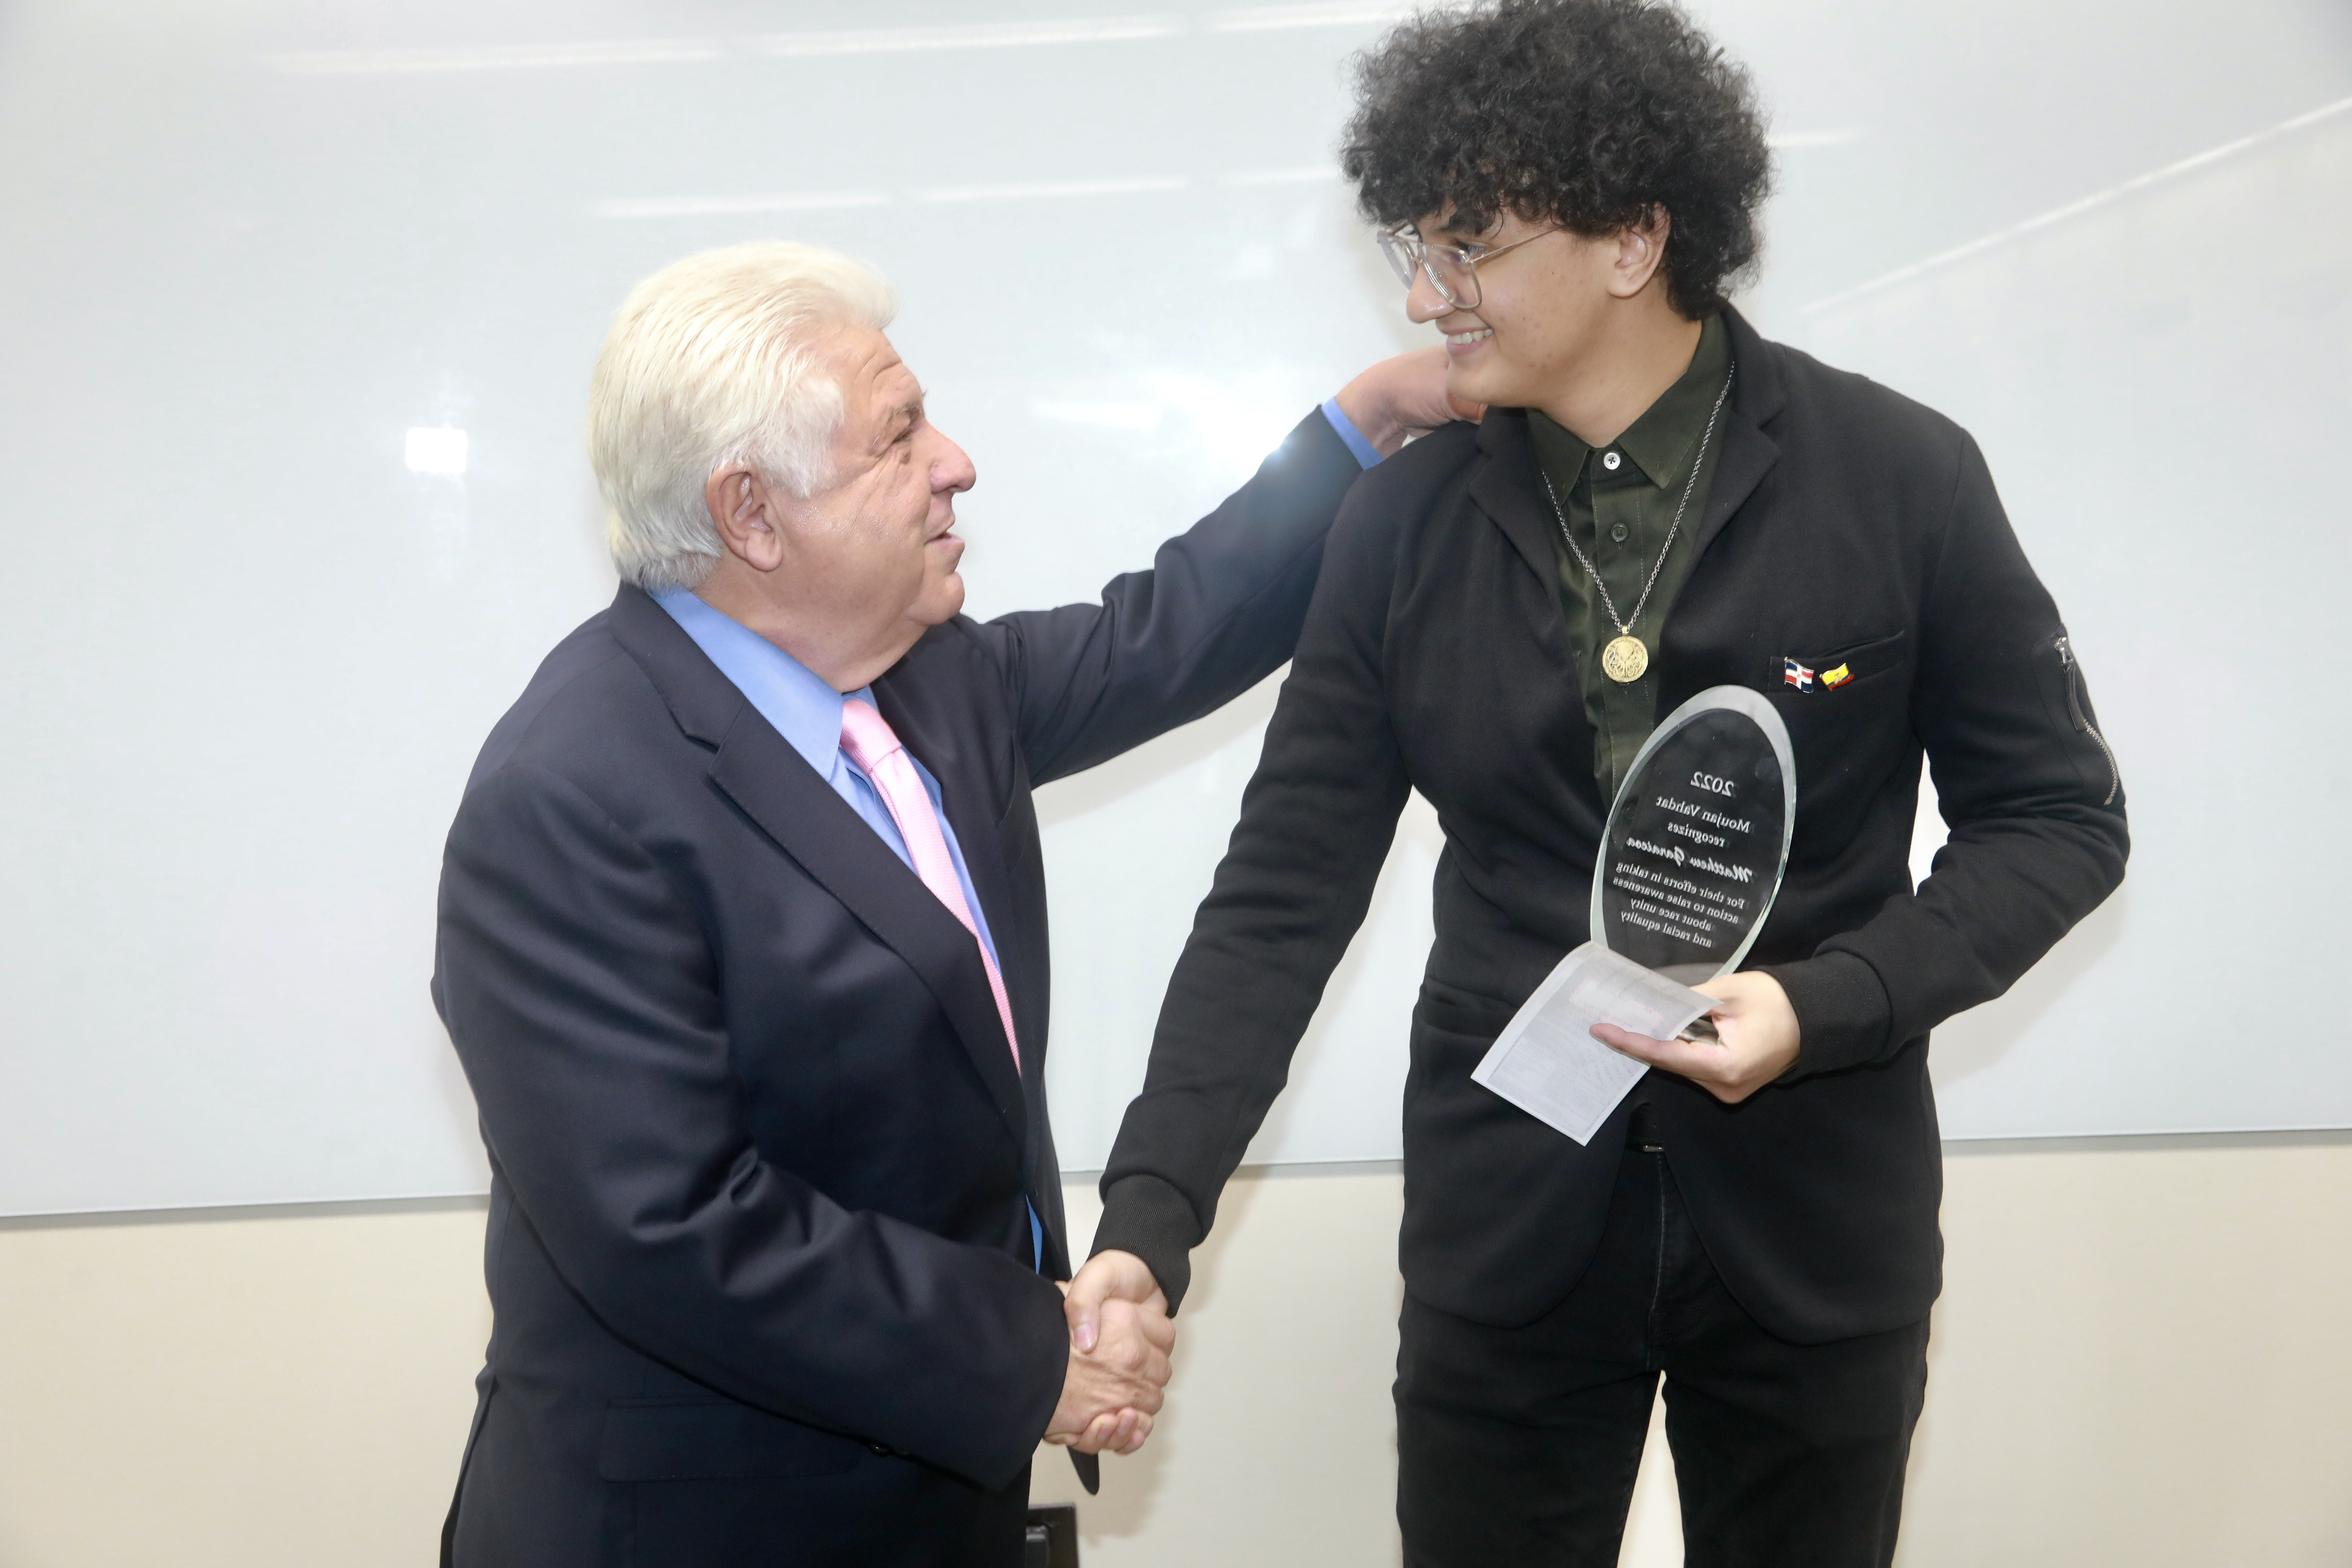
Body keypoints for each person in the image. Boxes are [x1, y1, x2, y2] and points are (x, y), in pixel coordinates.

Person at [1070, 2, 2130, 1563]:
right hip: (1510, 1238)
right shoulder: (1401, 527)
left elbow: (2059, 821)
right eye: (1415, 245)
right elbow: (1282, 897)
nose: (1429, 293)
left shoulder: (1901, 478)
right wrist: (1148, 1218)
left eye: (1473, 247)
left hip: (1814, 1228)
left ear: (1635, 235)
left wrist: (1827, 1001)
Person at [430, 241, 1461, 1568]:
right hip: (704, 1519)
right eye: (899, 434)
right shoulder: (570, 796)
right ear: (751, 513)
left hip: (927, 1499)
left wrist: (1365, 425)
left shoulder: (930, 684)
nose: (955, 461)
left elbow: (1172, 629)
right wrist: (1032, 1354)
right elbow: (674, 1229)